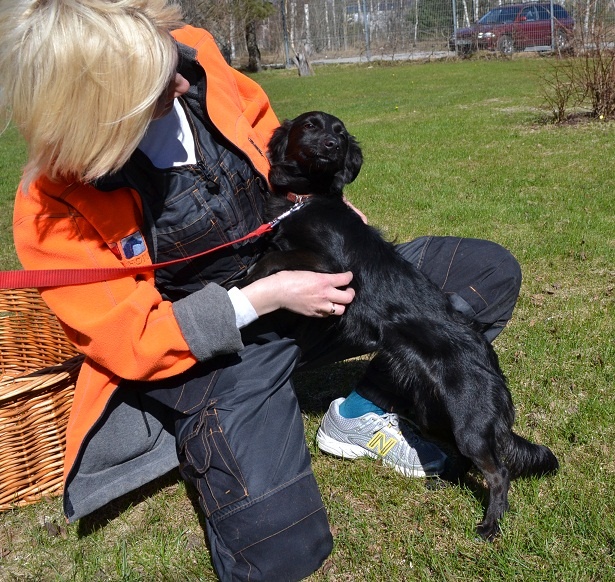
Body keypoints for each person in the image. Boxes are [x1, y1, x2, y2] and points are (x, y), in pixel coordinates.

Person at [0, 1, 522, 580]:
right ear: (100, 110)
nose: (181, 80)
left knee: (485, 272)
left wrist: (321, 205)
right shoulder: (52, 204)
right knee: (280, 553)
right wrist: (266, 295)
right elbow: (133, 340)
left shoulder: (193, 56)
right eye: (154, 82)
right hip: (217, 355)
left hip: (312, 282)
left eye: (168, 58)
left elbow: (268, 139)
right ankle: (211, 427)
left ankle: (362, 410)